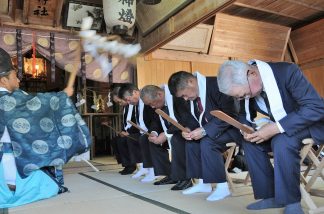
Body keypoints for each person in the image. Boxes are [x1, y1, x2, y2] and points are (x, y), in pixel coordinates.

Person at [217, 60, 324, 214]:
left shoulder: (287, 72)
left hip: (313, 122)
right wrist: (246, 129)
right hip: (286, 127)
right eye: (239, 97)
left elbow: (315, 107)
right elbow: (243, 114)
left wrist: (275, 128)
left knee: (282, 141)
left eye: (245, 94)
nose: (244, 98)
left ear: (252, 73)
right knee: (250, 143)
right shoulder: (247, 87)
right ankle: (270, 196)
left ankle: (291, 202)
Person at [0, 48, 91, 208]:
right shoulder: (12, 100)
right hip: (12, 163)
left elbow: (32, 103)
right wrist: (62, 96)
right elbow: (40, 104)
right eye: (15, 76)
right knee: (47, 183)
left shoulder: (16, 98)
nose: (19, 80)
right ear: (3, 81)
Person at [168, 71, 241, 201]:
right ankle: (203, 183)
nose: (184, 98)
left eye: (184, 94)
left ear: (190, 82)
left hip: (233, 128)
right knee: (191, 142)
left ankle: (222, 187)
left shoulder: (217, 84)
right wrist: (188, 130)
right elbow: (192, 119)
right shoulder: (193, 94)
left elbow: (231, 113)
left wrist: (204, 130)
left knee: (208, 142)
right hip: (212, 130)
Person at [119, 84, 175, 185]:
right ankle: (149, 168)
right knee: (143, 138)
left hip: (169, 129)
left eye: (128, 99)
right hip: (157, 130)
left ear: (136, 92)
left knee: (144, 139)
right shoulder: (140, 104)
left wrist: (162, 134)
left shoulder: (171, 97)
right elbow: (155, 121)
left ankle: (157, 171)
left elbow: (158, 119)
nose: (128, 103)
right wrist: (153, 132)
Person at [140, 84, 192, 190]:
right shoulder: (158, 102)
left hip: (186, 130)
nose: (152, 107)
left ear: (159, 94)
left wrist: (166, 134)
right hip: (171, 131)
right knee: (149, 140)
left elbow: (185, 119)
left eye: (152, 103)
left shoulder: (177, 96)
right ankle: (171, 174)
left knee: (177, 139)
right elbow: (155, 121)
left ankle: (185, 178)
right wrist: (154, 133)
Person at [110, 86, 143, 176]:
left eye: (120, 101)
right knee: (115, 140)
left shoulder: (135, 104)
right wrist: (122, 131)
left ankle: (132, 165)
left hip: (137, 131)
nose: (120, 104)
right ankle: (127, 164)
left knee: (125, 140)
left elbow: (138, 122)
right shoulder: (126, 108)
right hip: (131, 131)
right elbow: (126, 123)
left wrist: (129, 132)